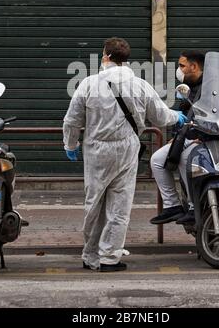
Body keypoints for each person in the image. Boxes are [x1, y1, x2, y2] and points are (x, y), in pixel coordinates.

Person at [63, 37, 187, 272]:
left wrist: (70, 145)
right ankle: (110, 258)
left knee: (94, 203)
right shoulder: (139, 85)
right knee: (120, 206)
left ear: (106, 56)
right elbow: (160, 116)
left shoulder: (88, 84)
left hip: (96, 150)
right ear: (126, 59)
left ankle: (90, 256)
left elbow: (71, 121)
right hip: (127, 149)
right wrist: (178, 117)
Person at [150, 50, 204, 225]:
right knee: (157, 160)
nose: (179, 70)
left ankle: (193, 207)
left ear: (194, 66)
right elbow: (183, 116)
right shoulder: (188, 89)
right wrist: (176, 137)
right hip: (187, 138)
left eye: (182, 65)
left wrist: (203, 135)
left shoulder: (212, 88)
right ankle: (172, 206)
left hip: (206, 139)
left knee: (186, 159)